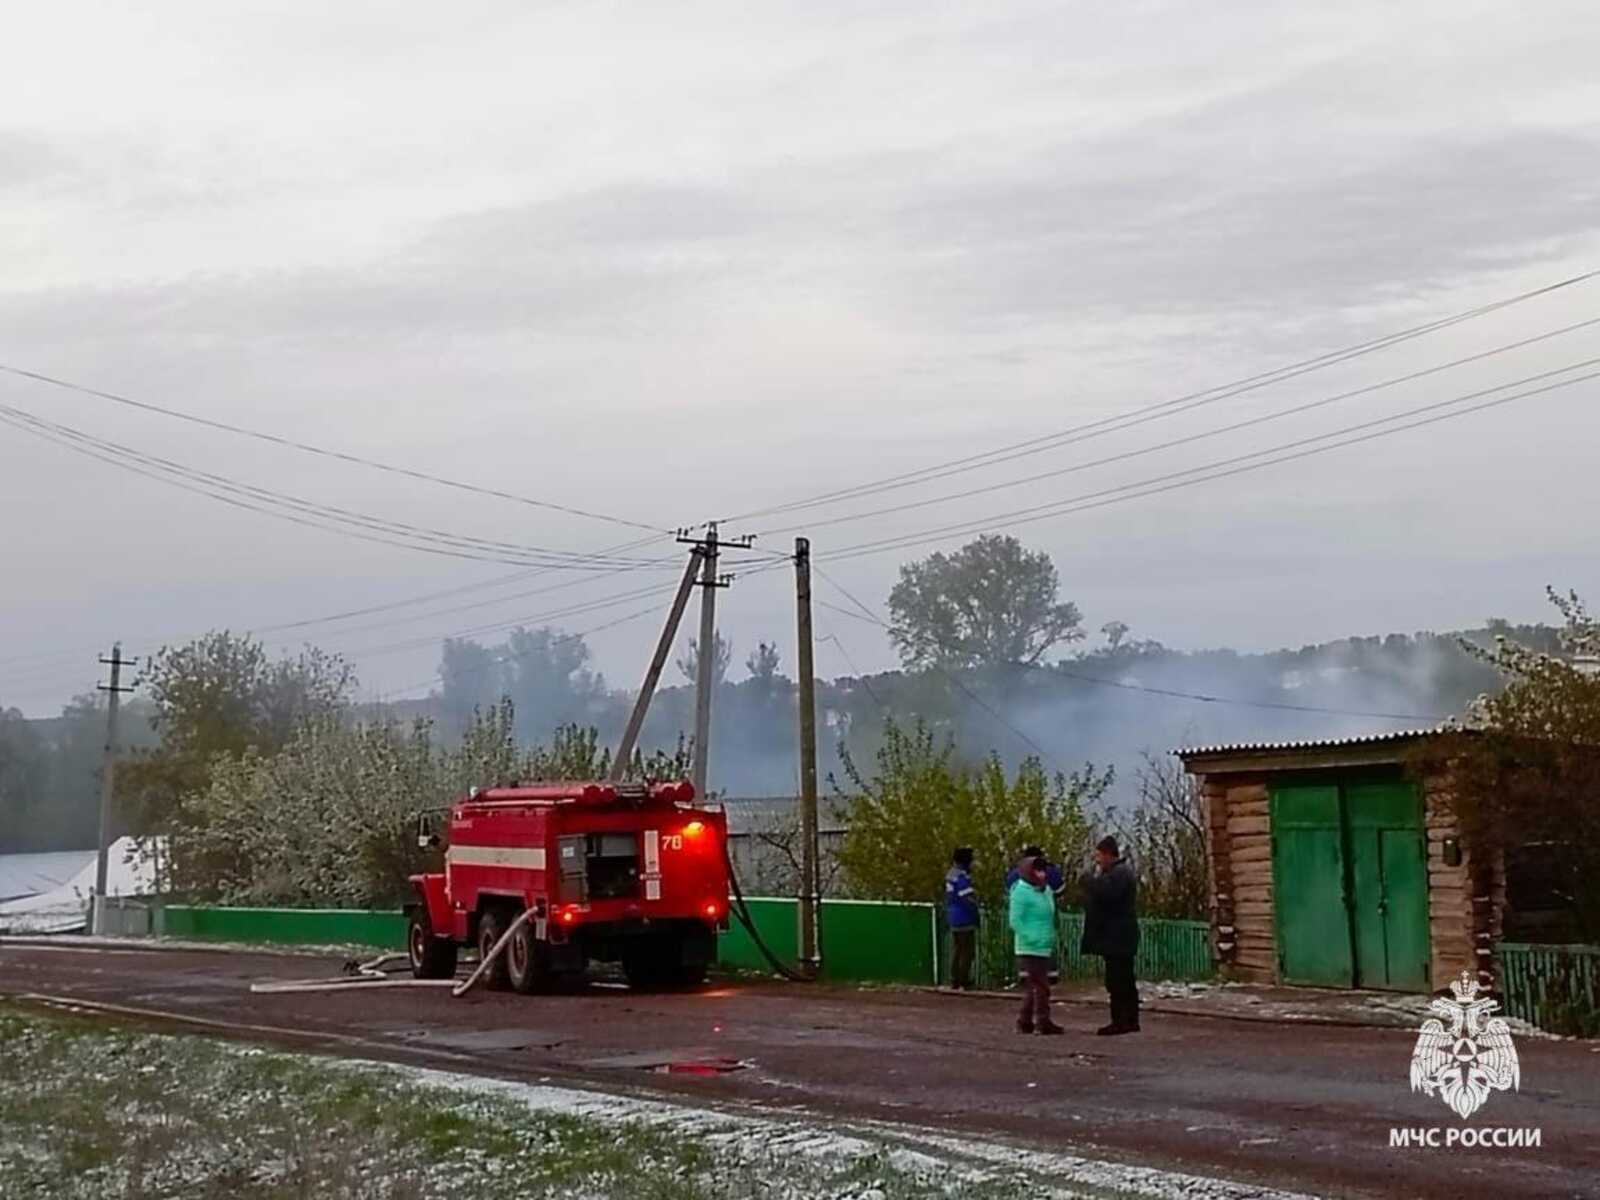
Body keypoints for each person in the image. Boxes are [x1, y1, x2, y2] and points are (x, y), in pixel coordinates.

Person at [1080, 835, 1140, 1036]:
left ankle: (1121, 1021)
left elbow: (1107, 895)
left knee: (1118, 981)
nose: (1097, 860)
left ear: (1108, 854)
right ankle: (1129, 1020)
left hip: (1117, 937)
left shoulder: (1119, 874)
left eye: (1098, 855)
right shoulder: (1119, 873)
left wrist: (1089, 882)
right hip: (1119, 936)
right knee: (1124, 980)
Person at [1008, 854, 1064, 1035]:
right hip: (1029, 946)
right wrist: (1031, 937)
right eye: (1037, 870)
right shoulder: (1020, 891)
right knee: (1041, 986)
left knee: (1035, 986)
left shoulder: (1045, 890)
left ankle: (1024, 1021)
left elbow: (1050, 913)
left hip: (1044, 944)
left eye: (1042, 870)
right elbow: (1015, 920)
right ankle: (1042, 1021)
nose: (1041, 874)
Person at [1004, 845, 1065, 983]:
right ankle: (1050, 975)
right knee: (1046, 949)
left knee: (1027, 958)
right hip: (1045, 919)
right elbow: (1061, 889)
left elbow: (1008, 891)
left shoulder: (1015, 875)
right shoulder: (1050, 873)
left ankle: (1025, 976)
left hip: (1026, 925)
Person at [944, 847, 979, 990]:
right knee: (967, 951)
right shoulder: (962, 877)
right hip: (964, 916)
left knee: (957, 949)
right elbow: (967, 899)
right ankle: (964, 980)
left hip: (953, 915)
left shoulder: (950, 875)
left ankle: (955, 979)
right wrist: (975, 913)